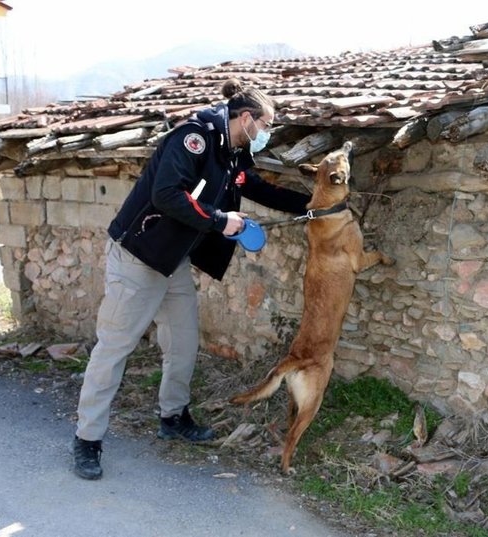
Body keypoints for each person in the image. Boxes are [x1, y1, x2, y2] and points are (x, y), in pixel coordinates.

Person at [72, 79, 311, 480]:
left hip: (173, 261)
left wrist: (310, 204)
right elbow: (167, 194)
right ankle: (87, 440)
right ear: (246, 118)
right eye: (266, 124)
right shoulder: (194, 138)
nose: (266, 134)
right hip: (138, 257)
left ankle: (173, 417)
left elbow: (250, 186)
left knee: (183, 342)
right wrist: (221, 221)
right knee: (114, 349)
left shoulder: (233, 151)